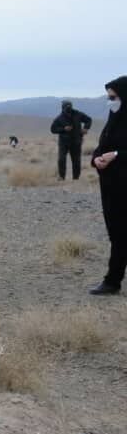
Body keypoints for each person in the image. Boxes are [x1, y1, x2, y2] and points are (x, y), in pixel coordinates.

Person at [89, 76, 127, 295]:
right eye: (108, 97)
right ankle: (113, 280)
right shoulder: (114, 120)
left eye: (113, 97)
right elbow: (101, 147)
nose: (110, 101)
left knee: (122, 233)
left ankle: (112, 280)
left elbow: (115, 151)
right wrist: (96, 159)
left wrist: (117, 155)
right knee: (118, 233)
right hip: (112, 188)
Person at [50, 100, 93, 180]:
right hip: (64, 142)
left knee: (76, 161)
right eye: (66, 108)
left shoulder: (78, 114)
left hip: (76, 141)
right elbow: (53, 129)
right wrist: (63, 129)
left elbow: (89, 119)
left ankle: (76, 178)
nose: (68, 109)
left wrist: (86, 128)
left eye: (69, 107)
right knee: (61, 159)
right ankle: (62, 177)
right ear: (63, 108)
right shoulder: (59, 118)